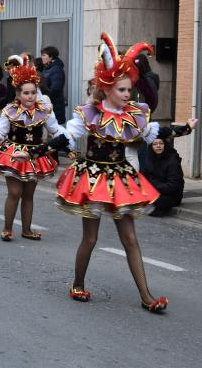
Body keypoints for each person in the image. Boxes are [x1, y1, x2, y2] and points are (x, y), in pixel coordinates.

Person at [24, 34, 167, 312]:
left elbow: (152, 134)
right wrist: (36, 152)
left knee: (130, 239)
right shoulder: (90, 114)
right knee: (90, 238)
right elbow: (67, 138)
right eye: (123, 90)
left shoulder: (133, 115)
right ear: (108, 89)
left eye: (130, 90)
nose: (128, 95)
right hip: (91, 180)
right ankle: (77, 283)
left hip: (121, 178)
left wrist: (184, 128)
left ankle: (146, 296)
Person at [0, 58, 66, 241]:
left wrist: (69, 140)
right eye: (26, 93)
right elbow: (1, 132)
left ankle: (26, 230)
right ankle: (7, 228)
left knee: (28, 194)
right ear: (18, 94)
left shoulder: (44, 110)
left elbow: (56, 130)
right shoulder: (10, 110)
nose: (30, 96)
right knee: (15, 192)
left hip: (34, 156)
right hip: (14, 155)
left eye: (33, 92)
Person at [142, 119, 197, 217]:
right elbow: (145, 179)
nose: (158, 146)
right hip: (155, 191)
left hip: (169, 194)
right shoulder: (149, 158)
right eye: (155, 144)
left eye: (161, 143)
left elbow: (174, 184)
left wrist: (187, 127)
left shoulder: (172, 160)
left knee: (158, 201)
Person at [41, 46, 66, 123]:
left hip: (54, 108)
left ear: (51, 57)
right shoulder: (48, 68)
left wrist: (44, 100)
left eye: (44, 55)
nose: (42, 57)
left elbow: (55, 89)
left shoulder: (56, 69)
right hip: (48, 107)